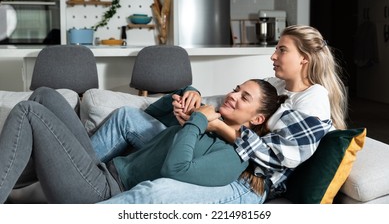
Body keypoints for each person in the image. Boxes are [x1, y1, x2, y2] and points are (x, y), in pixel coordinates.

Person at [98, 24, 347, 204]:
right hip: (217, 150)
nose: (273, 55)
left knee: (155, 194)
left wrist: (213, 125)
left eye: (282, 50)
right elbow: (225, 103)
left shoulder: (313, 99)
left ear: (304, 58)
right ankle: (83, 177)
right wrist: (192, 100)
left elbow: (278, 157)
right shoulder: (275, 84)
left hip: (248, 180)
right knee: (128, 117)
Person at [0, 79, 284, 204]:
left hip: (102, 191)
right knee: (45, 95)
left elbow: (176, 169)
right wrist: (187, 92)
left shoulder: (232, 159)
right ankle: (14, 186)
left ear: (257, 119)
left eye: (244, 97)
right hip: (101, 168)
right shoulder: (204, 126)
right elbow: (150, 113)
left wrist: (197, 122)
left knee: (28, 111)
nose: (232, 95)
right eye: (236, 89)